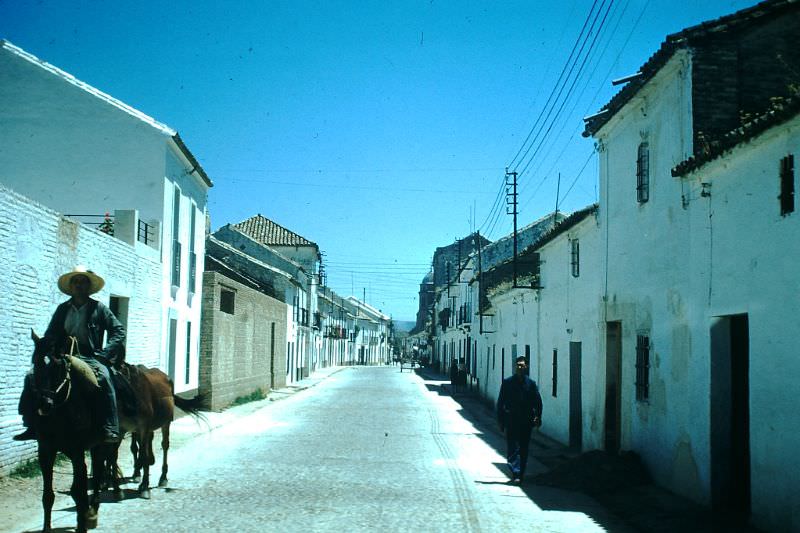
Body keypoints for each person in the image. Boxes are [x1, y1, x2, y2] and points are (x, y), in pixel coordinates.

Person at [14, 266, 125, 443]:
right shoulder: (62, 309)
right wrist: (46, 345)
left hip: (89, 357)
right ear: (71, 287)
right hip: (63, 355)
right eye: (76, 282)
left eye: (83, 282)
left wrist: (104, 353)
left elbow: (118, 330)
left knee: (104, 377)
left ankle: (110, 426)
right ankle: (31, 423)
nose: (79, 285)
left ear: (88, 287)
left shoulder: (99, 308)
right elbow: (51, 332)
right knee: (32, 376)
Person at [497, 356, 543, 484]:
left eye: (522, 365)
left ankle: (521, 473)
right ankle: (516, 472)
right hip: (511, 420)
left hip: (526, 421)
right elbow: (500, 403)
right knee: (513, 447)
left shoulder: (531, 384)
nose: (519, 367)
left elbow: (538, 402)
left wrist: (538, 416)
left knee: (524, 448)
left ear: (527, 367)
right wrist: (501, 421)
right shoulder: (507, 383)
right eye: (517, 365)